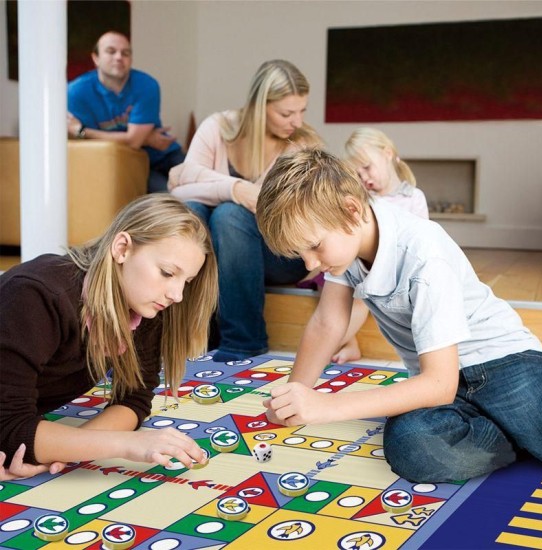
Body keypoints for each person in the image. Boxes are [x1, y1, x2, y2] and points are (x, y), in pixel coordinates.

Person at [255, 148, 542, 483]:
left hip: (506, 365)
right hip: (445, 384)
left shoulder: (423, 253)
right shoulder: (344, 248)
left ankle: (523, 427)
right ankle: (517, 434)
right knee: (412, 446)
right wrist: (296, 397)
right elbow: (327, 323)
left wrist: (326, 406)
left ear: (351, 211)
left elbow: (438, 385)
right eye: (299, 252)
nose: (309, 264)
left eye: (315, 246)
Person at [0, 194, 217, 481]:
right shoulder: (35, 296)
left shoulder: (144, 303)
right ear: (122, 248)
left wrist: (68, 449)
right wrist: (128, 444)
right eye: (167, 273)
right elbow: (9, 428)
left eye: (185, 282)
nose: (176, 295)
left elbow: (134, 400)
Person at [168, 59, 323, 363]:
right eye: (286, 113)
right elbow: (178, 187)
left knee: (230, 216)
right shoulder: (218, 127)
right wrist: (235, 189)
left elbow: (287, 218)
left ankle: (244, 342)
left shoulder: (299, 144)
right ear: (259, 106)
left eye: (301, 111)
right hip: (221, 246)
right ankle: (188, 335)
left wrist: (219, 192)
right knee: (190, 210)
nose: (297, 121)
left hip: (283, 251)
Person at [332, 127, 429, 364]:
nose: (364, 177)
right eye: (358, 173)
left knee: (362, 296)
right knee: (341, 286)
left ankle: (332, 343)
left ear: (387, 153)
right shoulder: (365, 199)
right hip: (365, 267)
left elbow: (423, 242)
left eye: (366, 167)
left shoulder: (413, 197)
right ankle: (349, 342)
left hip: (396, 271)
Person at [67, 31, 186, 193]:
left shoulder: (146, 85)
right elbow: (94, 149)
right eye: (111, 51)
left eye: (125, 53)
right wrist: (146, 139)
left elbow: (133, 141)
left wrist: (82, 131)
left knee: (204, 190)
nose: (118, 57)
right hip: (127, 163)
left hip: (164, 152)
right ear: (96, 58)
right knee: (172, 201)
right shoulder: (76, 92)